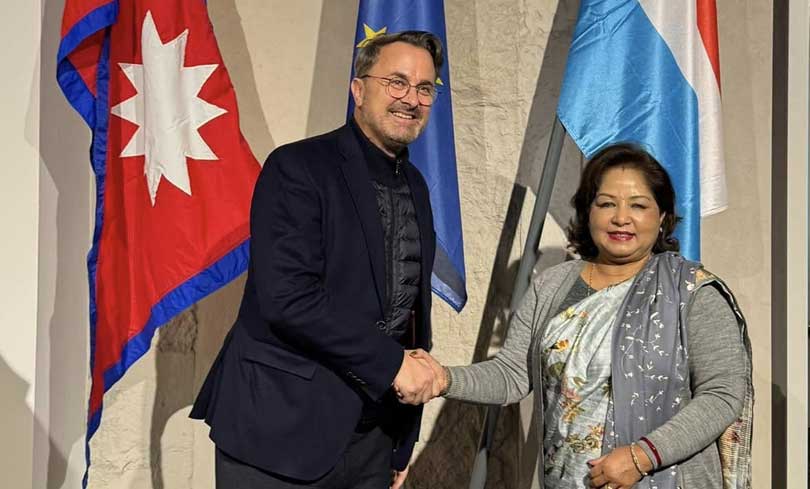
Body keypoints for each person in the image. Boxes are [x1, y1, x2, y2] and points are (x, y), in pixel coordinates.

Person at [414, 143, 754, 489]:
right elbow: (512, 375)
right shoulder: (552, 286)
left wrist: (642, 456)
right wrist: (443, 379)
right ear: (587, 211)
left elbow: (722, 394)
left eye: (638, 205)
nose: (621, 218)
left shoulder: (692, 293)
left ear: (663, 217)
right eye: (606, 203)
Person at [190, 31, 445, 489]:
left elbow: (410, 316)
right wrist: (391, 364)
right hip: (278, 431)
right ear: (358, 89)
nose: (411, 99)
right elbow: (288, 297)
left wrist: (401, 437)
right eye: (397, 82)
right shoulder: (298, 167)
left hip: (372, 440)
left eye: (424, 88)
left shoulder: (417, 186)